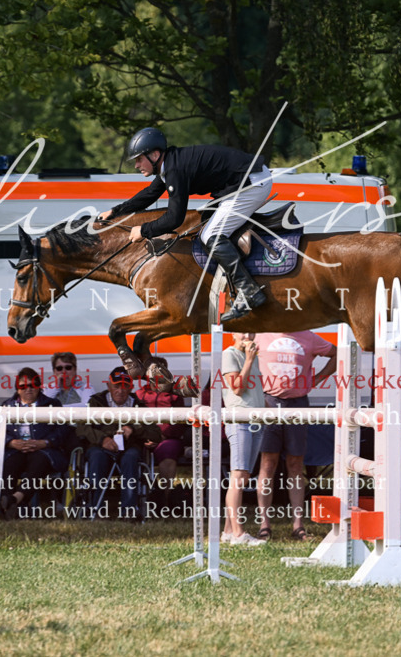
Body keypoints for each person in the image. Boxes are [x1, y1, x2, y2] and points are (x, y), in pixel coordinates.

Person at [99, 127, 273, 322]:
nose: (136, 165)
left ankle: (249, 291)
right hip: (242, 181)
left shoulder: (175, 169)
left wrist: (144, 230)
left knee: (210, 236)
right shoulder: (169, 164)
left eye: (139, 159)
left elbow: (175, 219)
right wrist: (116, 211)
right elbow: (149, 194)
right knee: (203, 224)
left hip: (252, 182)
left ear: (155, 155)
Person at [254, 331, 336, 542]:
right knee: (268, 464)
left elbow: (338, 354)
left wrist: (318, 378)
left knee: (295, 464)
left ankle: (298, 524)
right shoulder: (261, 335)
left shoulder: (308, 336)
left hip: (298, 403)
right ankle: (265, 523)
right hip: (269, 401)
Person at [77, 367, 160, 520]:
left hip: (128, 448)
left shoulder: (139, 405)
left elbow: (155, 433)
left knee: (131, 457)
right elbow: (82, 428)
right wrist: (103, 439)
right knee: (96, 456)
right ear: (109, 386)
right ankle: (96, 508)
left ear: (131, 387)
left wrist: (134, 429)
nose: (120, 390)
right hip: (100, 447)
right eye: (116, 386)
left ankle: (128, 510)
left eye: (124, 386)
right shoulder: (96, 402)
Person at [0, 367, 66, 519]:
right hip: (16, 449)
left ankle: (15, 499)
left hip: (43, 450)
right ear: (17, 389)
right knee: (8, 464)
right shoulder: (6, 406)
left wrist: (45, 442)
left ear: (39, 386)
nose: (28, 389)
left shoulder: (52, 404)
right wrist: (11, 442)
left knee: (39, 461)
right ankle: (12, 505)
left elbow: (63, 431)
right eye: (23, 386)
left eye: (32, 385)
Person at [220, 333, 267, 546]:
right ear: (233, 334)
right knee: (238, 477)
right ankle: (239, 534)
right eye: (242, 332)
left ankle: (229, 532)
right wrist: (248, 360)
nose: (247, 336)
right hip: (239, 419)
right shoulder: (229, 354)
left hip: (256, 419)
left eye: (250, 332)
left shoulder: (253, 355)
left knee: (243, 475)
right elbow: (238, 388)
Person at [135, 356, 188, 512]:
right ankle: (139, 499)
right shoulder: (139, 394)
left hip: (168, 438)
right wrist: (145, 436)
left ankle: (165, 499)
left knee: (168, 451)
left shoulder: (176, 394)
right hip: (143, 438)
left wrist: (161, 437)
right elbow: (135, 420)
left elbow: (180, 422)